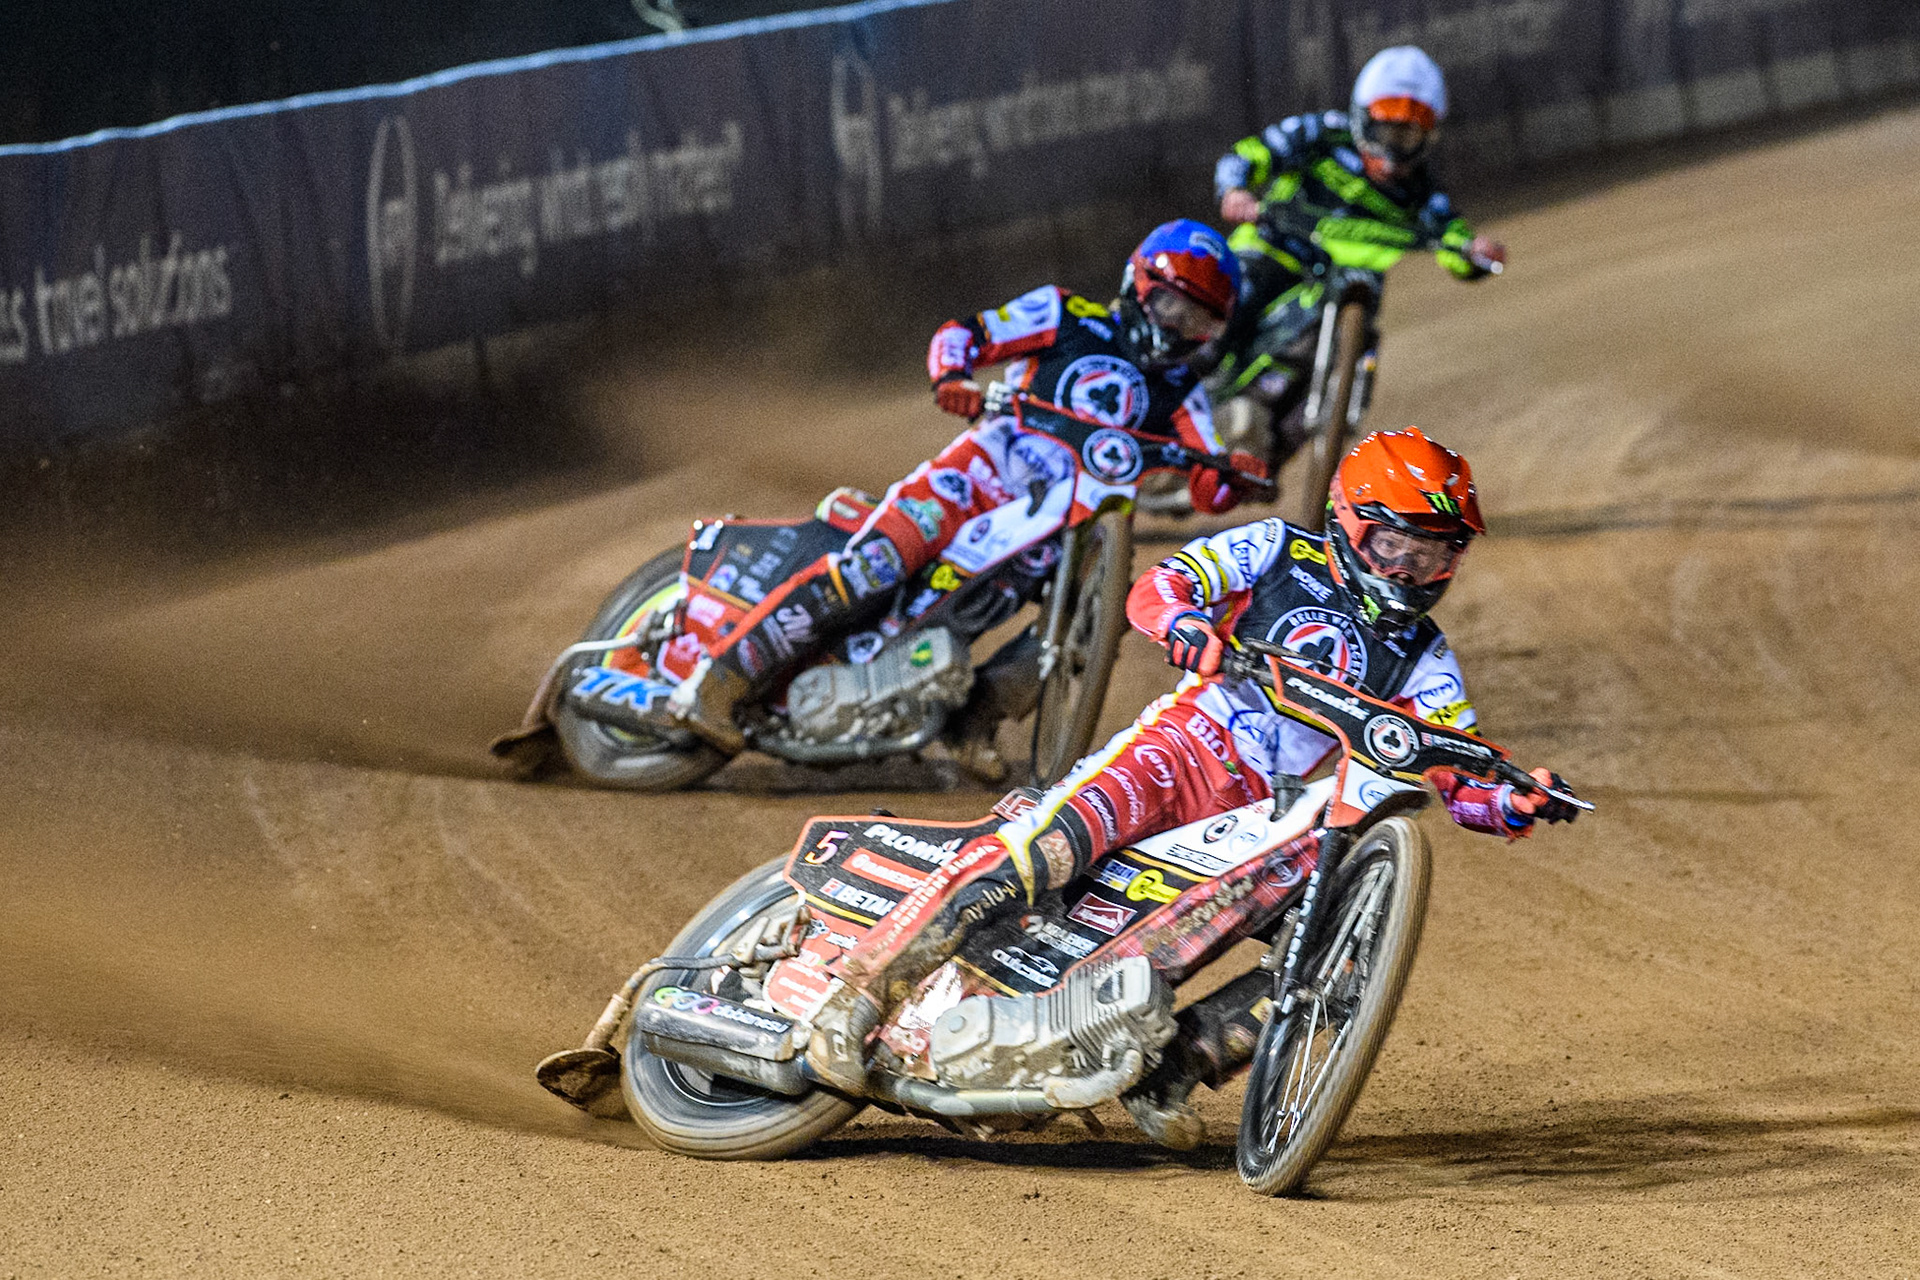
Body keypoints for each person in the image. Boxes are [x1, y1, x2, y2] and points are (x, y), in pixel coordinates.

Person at [803, 427, 1581, 1146]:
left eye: (1434, 555)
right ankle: (859, 997)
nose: (1412, 570)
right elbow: (1162, 585)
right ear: (1349, 522)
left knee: (1325, 954)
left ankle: (1173, 1071)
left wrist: (1513, 797)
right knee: (1035, 859)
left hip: (1261, 810)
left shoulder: (1426, 655)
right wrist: (1182, 624)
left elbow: (1455, 763)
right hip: (1177, 751)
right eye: (1395, 545)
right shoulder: (1278, 549)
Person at [650, 219, 1265, 754]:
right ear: (1140, 287)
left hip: (1057, 532)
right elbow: (961, 334)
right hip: (975, 475)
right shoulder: (1064, 313)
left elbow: (1208, 484)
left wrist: (1235, 474)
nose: (1180, 327)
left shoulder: (1182, 391)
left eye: (1199, 319)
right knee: (874, 565)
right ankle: (716, 682)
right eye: (1173, 307)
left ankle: (973, 726)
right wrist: (953, 377)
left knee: (1088, 615)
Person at [1205, 46, 1505, 436]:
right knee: (1223, 308)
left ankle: (1282, 437)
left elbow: (1455, 240)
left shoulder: (1423, 191)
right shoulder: (1321, 133)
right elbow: (1249, 155)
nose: (1394, 148)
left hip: (1350, 284)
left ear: (1427, 137)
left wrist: (1475, 252)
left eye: (1408, 135)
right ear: (1362, 118)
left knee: (1360, 346)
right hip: (1273, 247)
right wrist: (1234, 191)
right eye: (1387, 130)